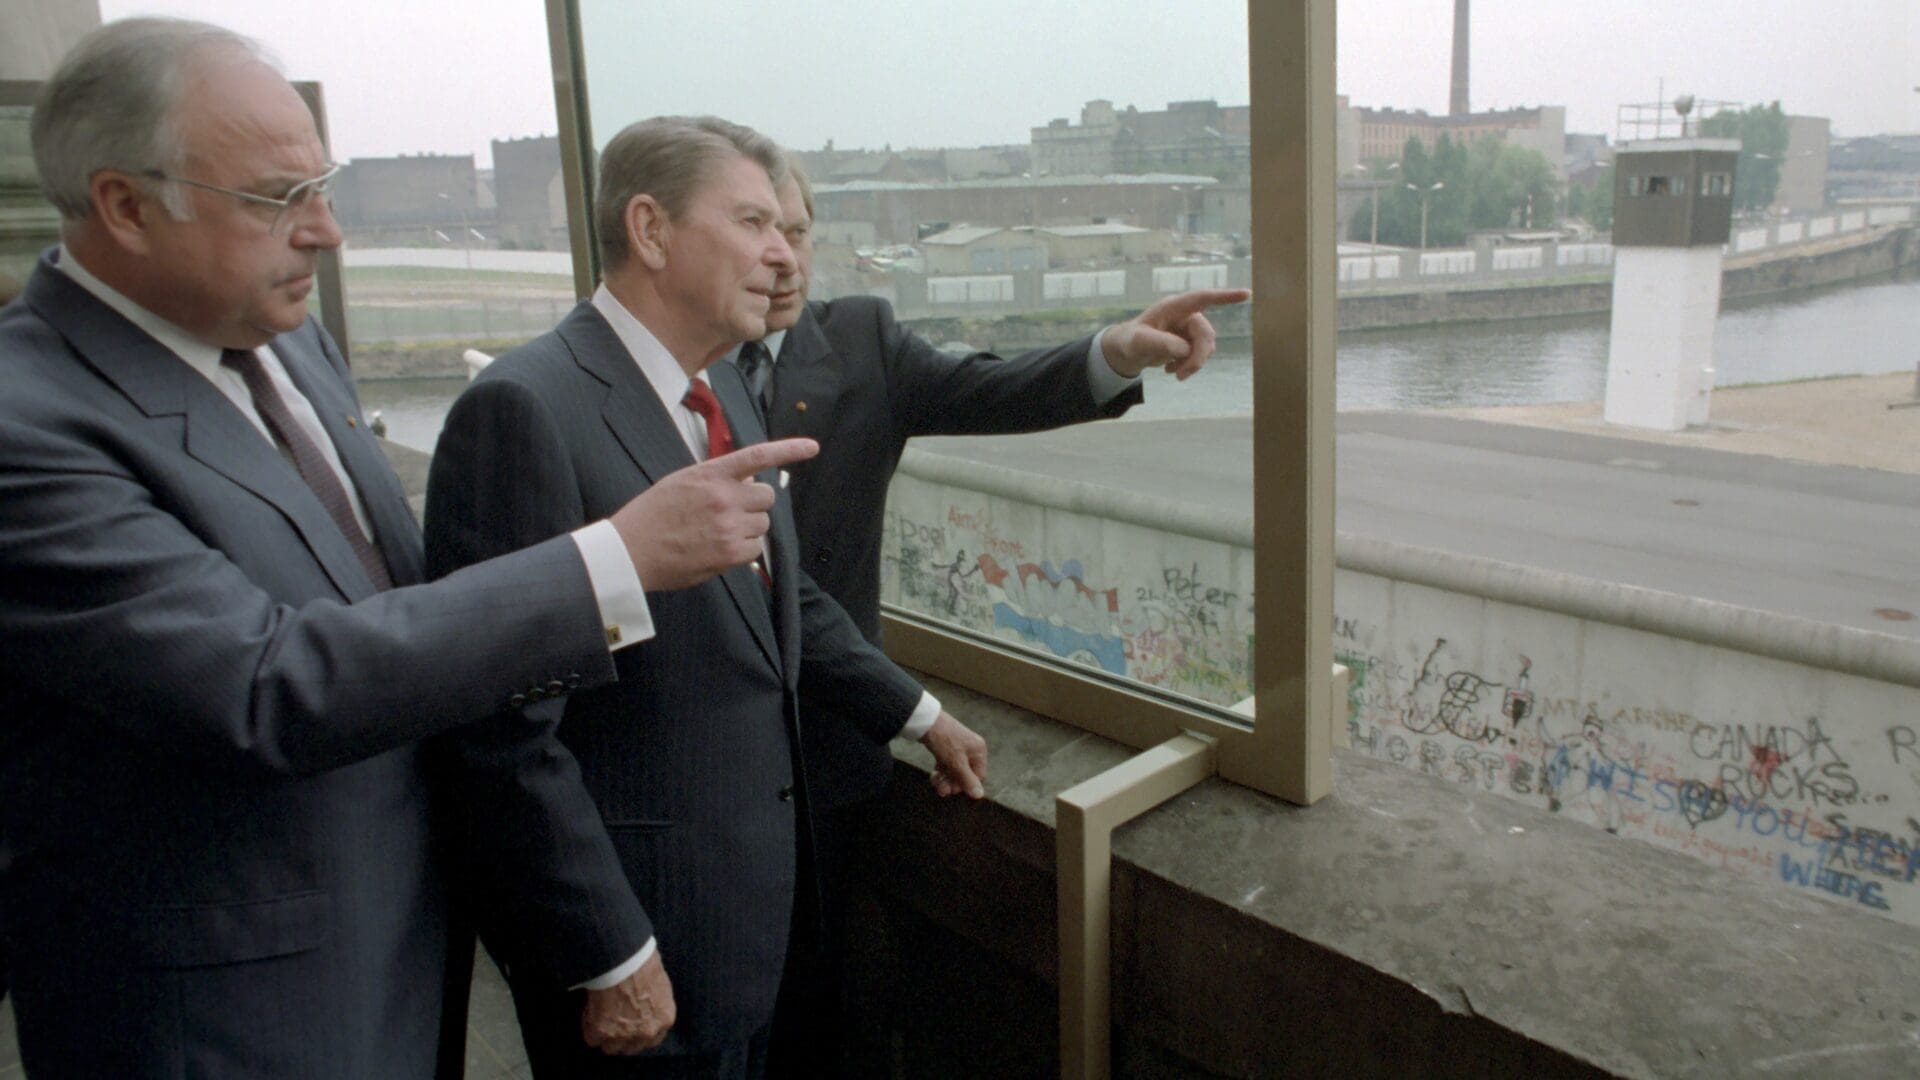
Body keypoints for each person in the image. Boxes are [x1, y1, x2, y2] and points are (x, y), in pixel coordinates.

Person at [0, 20, 811, 1078]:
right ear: (124, 205)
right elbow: (264, 683)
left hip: (406, 950)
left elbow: (401, 599)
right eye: (277, 198)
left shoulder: (287, 340)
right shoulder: (29, 423)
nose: (327, 232)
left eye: (322, 187)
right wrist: (612, 561)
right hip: (232, 1008)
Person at [422, 116, 989, 1079]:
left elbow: (774, 589)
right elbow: (500, 732)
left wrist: (917, 712)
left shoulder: (717, 381)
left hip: (744, 938)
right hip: (642, 954)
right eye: (754, 221)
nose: (783, 253)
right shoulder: (525, 410)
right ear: (650, 231)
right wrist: (611, 952)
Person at [732, 161, 1249, 1075]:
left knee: (822, 1013)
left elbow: (995, 387)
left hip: (829, 750)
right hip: (706, 762)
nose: (783, 260)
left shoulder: (859, 341)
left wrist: (1115, 353)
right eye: (757, 231)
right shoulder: (670, 368)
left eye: (802, 233)